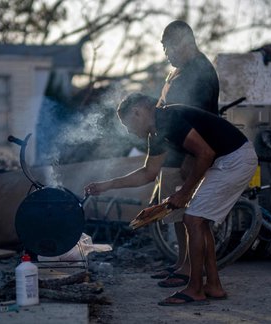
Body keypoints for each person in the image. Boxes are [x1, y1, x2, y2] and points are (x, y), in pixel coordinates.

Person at [84, 93, 258, 306]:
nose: (129, 131)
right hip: (225, 160)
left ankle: (195, 289)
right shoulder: (156, 133)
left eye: (128, 125)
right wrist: (106, 186)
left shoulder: (169, 118)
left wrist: (185, 192)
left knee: (193, 219)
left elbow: (205, 153)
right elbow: (148, 173)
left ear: (138, 113)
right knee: (198, 221)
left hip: (235, 159)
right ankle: (213, 285)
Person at [150, 20, 220, 288]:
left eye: (167, 46)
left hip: (188, 154)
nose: (166, 53)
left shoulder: (199, 71)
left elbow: (201, 119)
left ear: (184, 42)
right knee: (177, 215)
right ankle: (182, 263)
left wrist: (193, 158)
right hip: (175, 152)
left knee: (190, 216)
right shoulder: (179, 71)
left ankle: (190, 268)